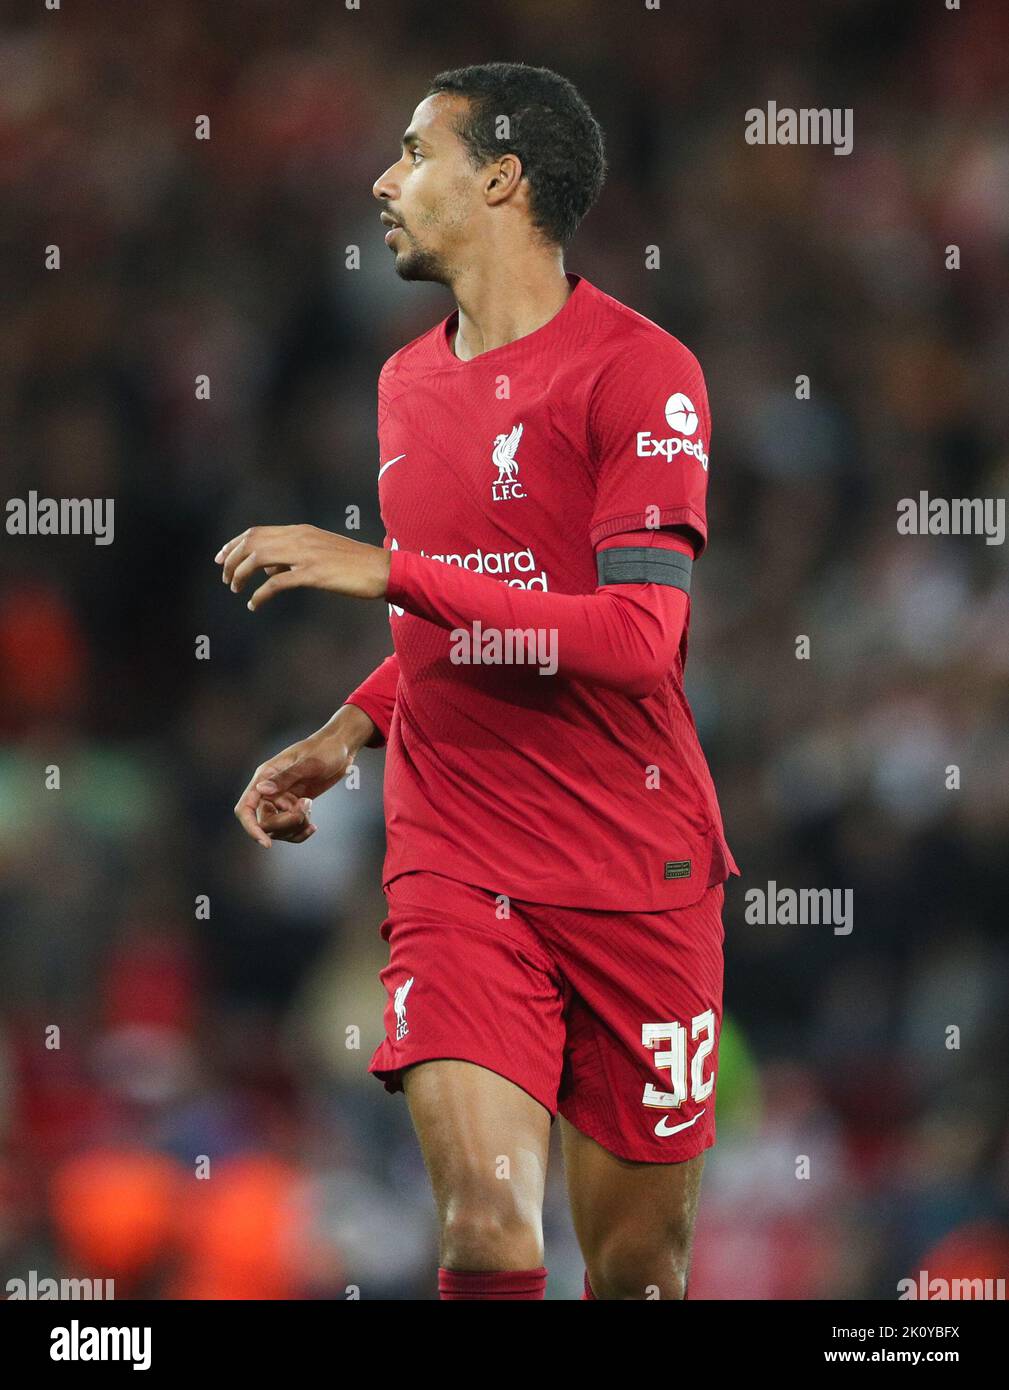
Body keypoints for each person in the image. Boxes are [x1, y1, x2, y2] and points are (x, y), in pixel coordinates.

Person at [216, 62, 739, 1301]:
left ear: (501, 178)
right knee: (489, 1223)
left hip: (636, 871)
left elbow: (633, 640)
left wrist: (390, 572)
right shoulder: (405, 381)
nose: (382, 179)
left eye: (412, 152)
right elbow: (464, 620)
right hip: (458, 863)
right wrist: (353, 726)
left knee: (638, 1268)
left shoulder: (640, 372)